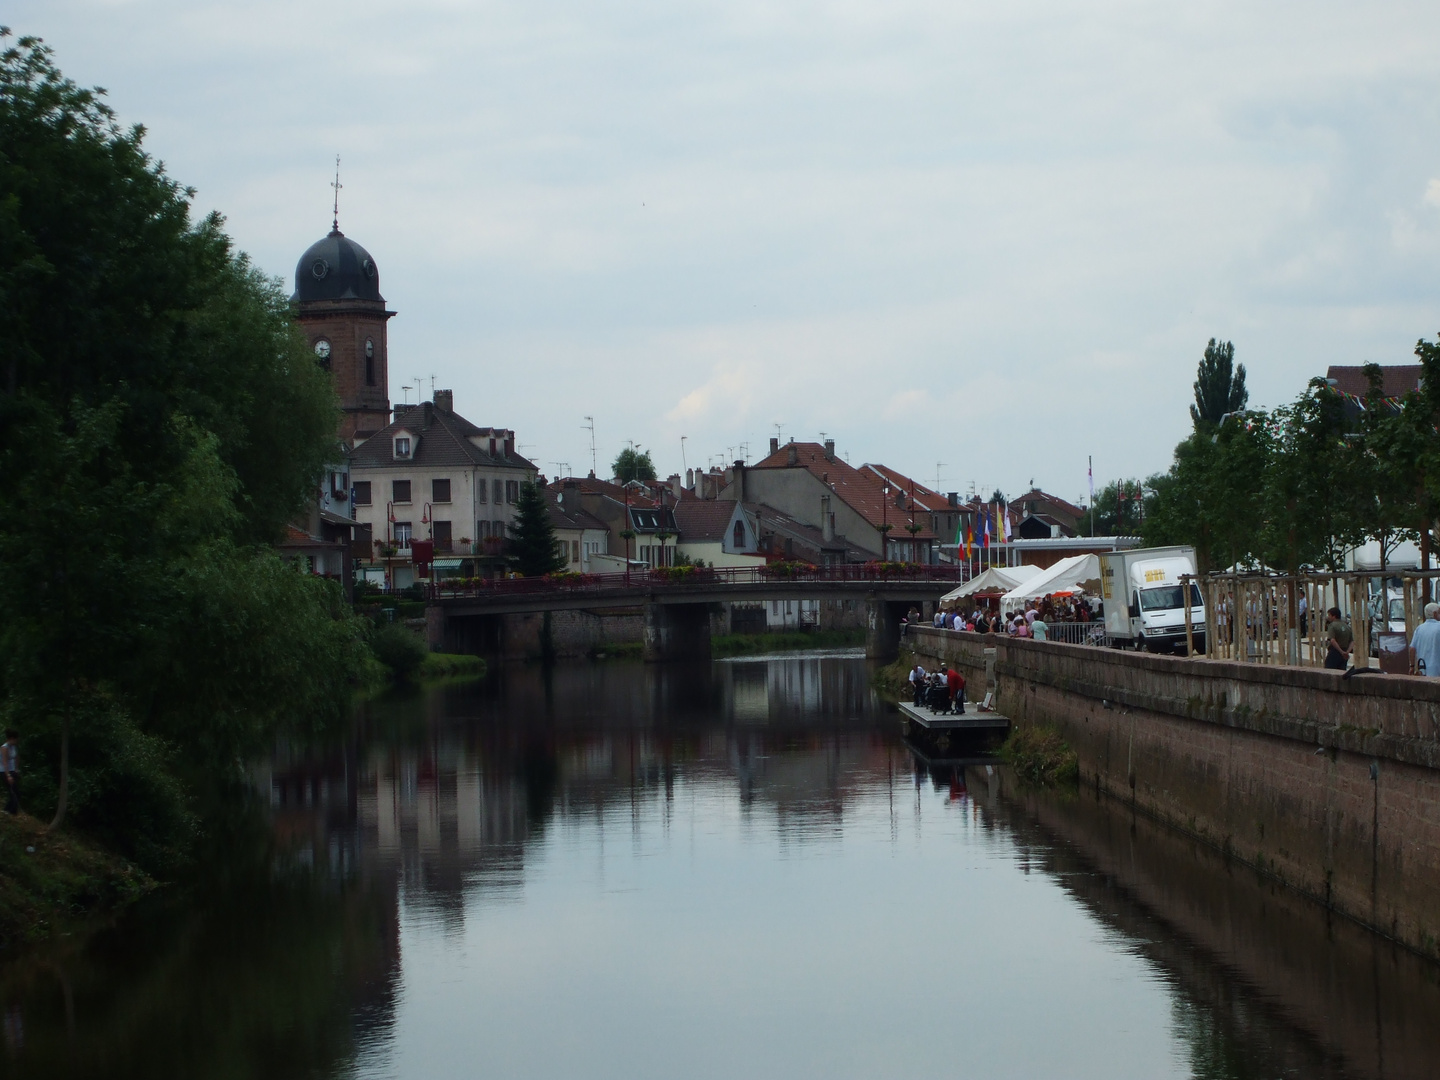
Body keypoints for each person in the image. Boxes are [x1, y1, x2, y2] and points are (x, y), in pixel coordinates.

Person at [1411, 602, 1440, 677]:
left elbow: (1412, 648)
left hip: (1422, 669)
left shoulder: (1419, 628)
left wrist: (1412, 666)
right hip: (1437, 670)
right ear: (1435, 614)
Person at [1, 731, 17, 816]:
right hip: (5, 771)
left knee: (15, 791)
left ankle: (12, 811)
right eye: (15, 740)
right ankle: (8, 810)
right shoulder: (4, 747)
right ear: (11, 739)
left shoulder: (13, 747)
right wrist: (8, 776)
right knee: (13, 791)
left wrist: (16, 769)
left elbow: (15, 758)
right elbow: (4, 762)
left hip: (12, 770)